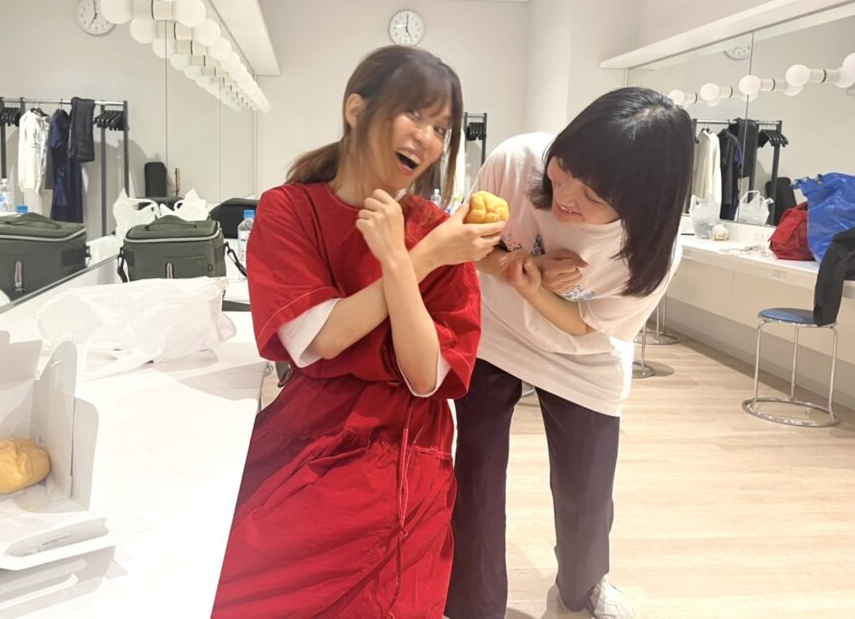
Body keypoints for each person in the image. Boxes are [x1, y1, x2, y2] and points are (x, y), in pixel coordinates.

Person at [213, 45, 506, 618]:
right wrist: (420, 258)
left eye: (441, 128)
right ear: (356, 109)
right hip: (310, 430)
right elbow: (320, 338)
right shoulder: (289, 210)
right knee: (230, 580)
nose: (427, 138)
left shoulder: (441, 231)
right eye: (414, 114)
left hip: (407, 448)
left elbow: (425, 378)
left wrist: (405, 256)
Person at [445, 87, 694, 619]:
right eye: (565, 171)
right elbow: (467, 243)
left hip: (584, 357)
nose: (566, 198)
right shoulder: (518, 161)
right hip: (495, 331)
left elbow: (587, 328)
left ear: (642, 202)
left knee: (587, 490)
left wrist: (536, 290)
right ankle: (473, 606)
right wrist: (516, 268)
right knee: (477, 471)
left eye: (594, 196)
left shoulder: (652, 249)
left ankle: (580, 592)